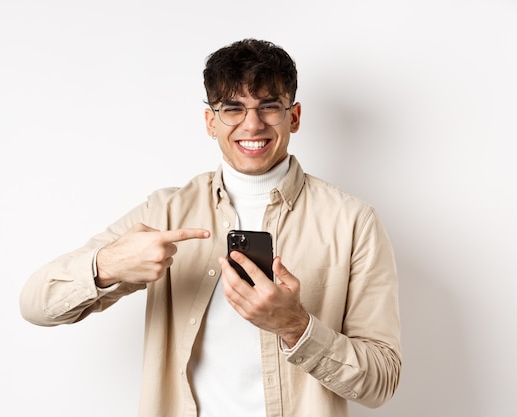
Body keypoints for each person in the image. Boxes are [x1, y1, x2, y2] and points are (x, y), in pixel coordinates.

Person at [20, 38, 401, 417]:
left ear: (294, 116)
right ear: (210, 121)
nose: (252, 124)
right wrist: (108, 265)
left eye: (269, 107)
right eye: (233, 108)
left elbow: (382, 381)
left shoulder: (353, 221)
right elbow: (36, 304)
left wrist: (296, 326)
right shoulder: (166, 212)